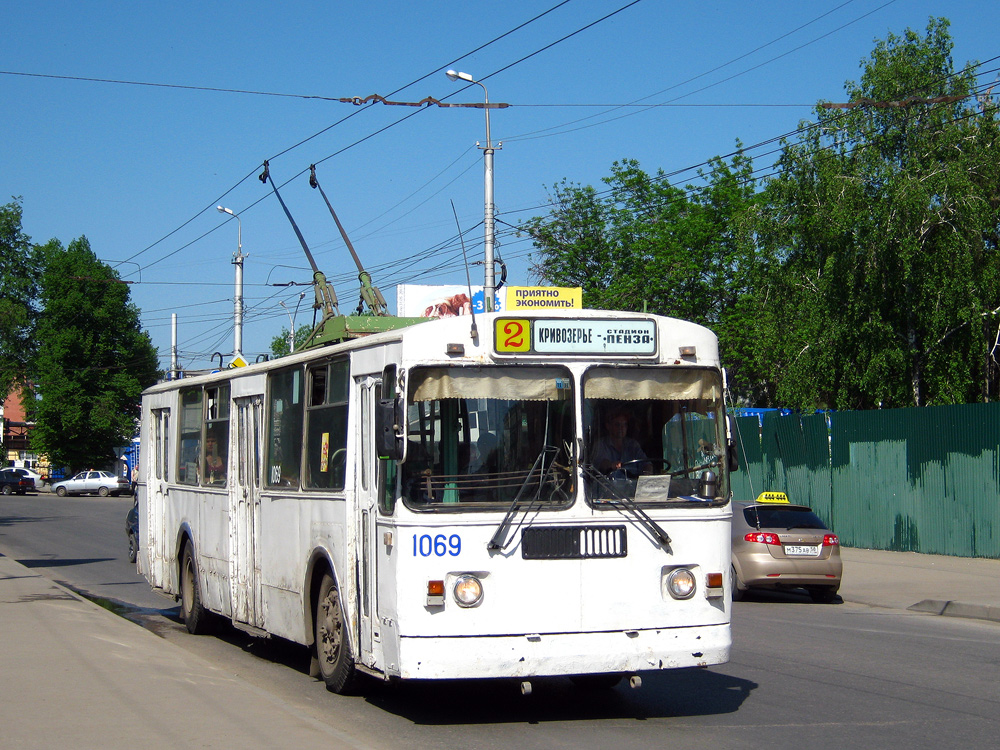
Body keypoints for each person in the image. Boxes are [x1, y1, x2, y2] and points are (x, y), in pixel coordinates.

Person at [591, 410, 651, 476]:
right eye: (617, 424)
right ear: (608, 426)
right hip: (608, 485)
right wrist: (611, 465)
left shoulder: (633, 445)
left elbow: (646, 463)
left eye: (624, 424)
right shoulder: (601, 445)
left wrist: (647, 473)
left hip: (633, 484)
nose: (621, 428)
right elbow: (600, 463)